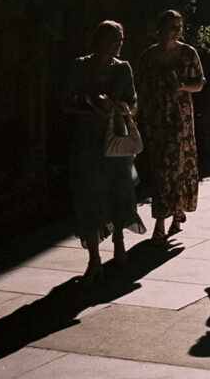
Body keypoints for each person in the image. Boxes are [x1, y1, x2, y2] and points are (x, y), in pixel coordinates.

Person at [64, 20, 146, 283]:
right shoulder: (80, 66)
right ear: (99, 40)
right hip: (87, 139)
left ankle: (120, 243)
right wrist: (91, 107)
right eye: (114, 39)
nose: (118, 44)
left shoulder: (123, 68)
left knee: (119, 190)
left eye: (120, 40)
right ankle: (94, 260)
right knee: (88, 195)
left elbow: (134, 102)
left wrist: (120, 107)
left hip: (115, 139)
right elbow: (66, 102)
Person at [137, 10, 206, 242]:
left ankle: (160, 223)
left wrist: (182, 86)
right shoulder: (149, 56)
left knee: (174, 166)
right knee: (160, 169)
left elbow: (200, 83)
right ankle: (176, 213)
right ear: (162, 28)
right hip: (155, 118)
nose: (177, 31)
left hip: (180, 118)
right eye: (172, 26)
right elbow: (142, 88)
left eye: (180, 26)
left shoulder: (188, 53)